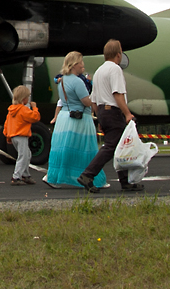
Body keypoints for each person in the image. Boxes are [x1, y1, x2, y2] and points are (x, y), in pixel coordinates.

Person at [78, 39, 141, 193]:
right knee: (113, 146)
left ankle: (125, 181)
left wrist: (100, 117)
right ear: (118, 55)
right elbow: (117, 94)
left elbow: (93, 100)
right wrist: (127, 114)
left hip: (102, 111)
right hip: (113, 112)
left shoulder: (99, 71)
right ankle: (88, 174)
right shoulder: (115, 69)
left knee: (120, 147)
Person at [46, 52, 108, 189]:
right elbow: (86, 102)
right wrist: (96, 99)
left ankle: (54, 177)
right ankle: (92, 177)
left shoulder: (62, 80)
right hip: (80, 119)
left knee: (62, 149)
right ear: (74, 65)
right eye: (81, 62)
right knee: (87, 149)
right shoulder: (78, 81)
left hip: (64, 117)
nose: (83, 65)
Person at [3, 85, 41, 185]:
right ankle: (16, 177)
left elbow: (6, 124)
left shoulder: (11, 110)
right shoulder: (23, 110)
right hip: (22, 136)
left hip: (14, 136)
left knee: (27, 155)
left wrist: (8, 136)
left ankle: (25, 175)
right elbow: (35, 117)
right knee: (23, 156)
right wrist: (34, 107)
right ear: (24, 99)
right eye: (28, 97)